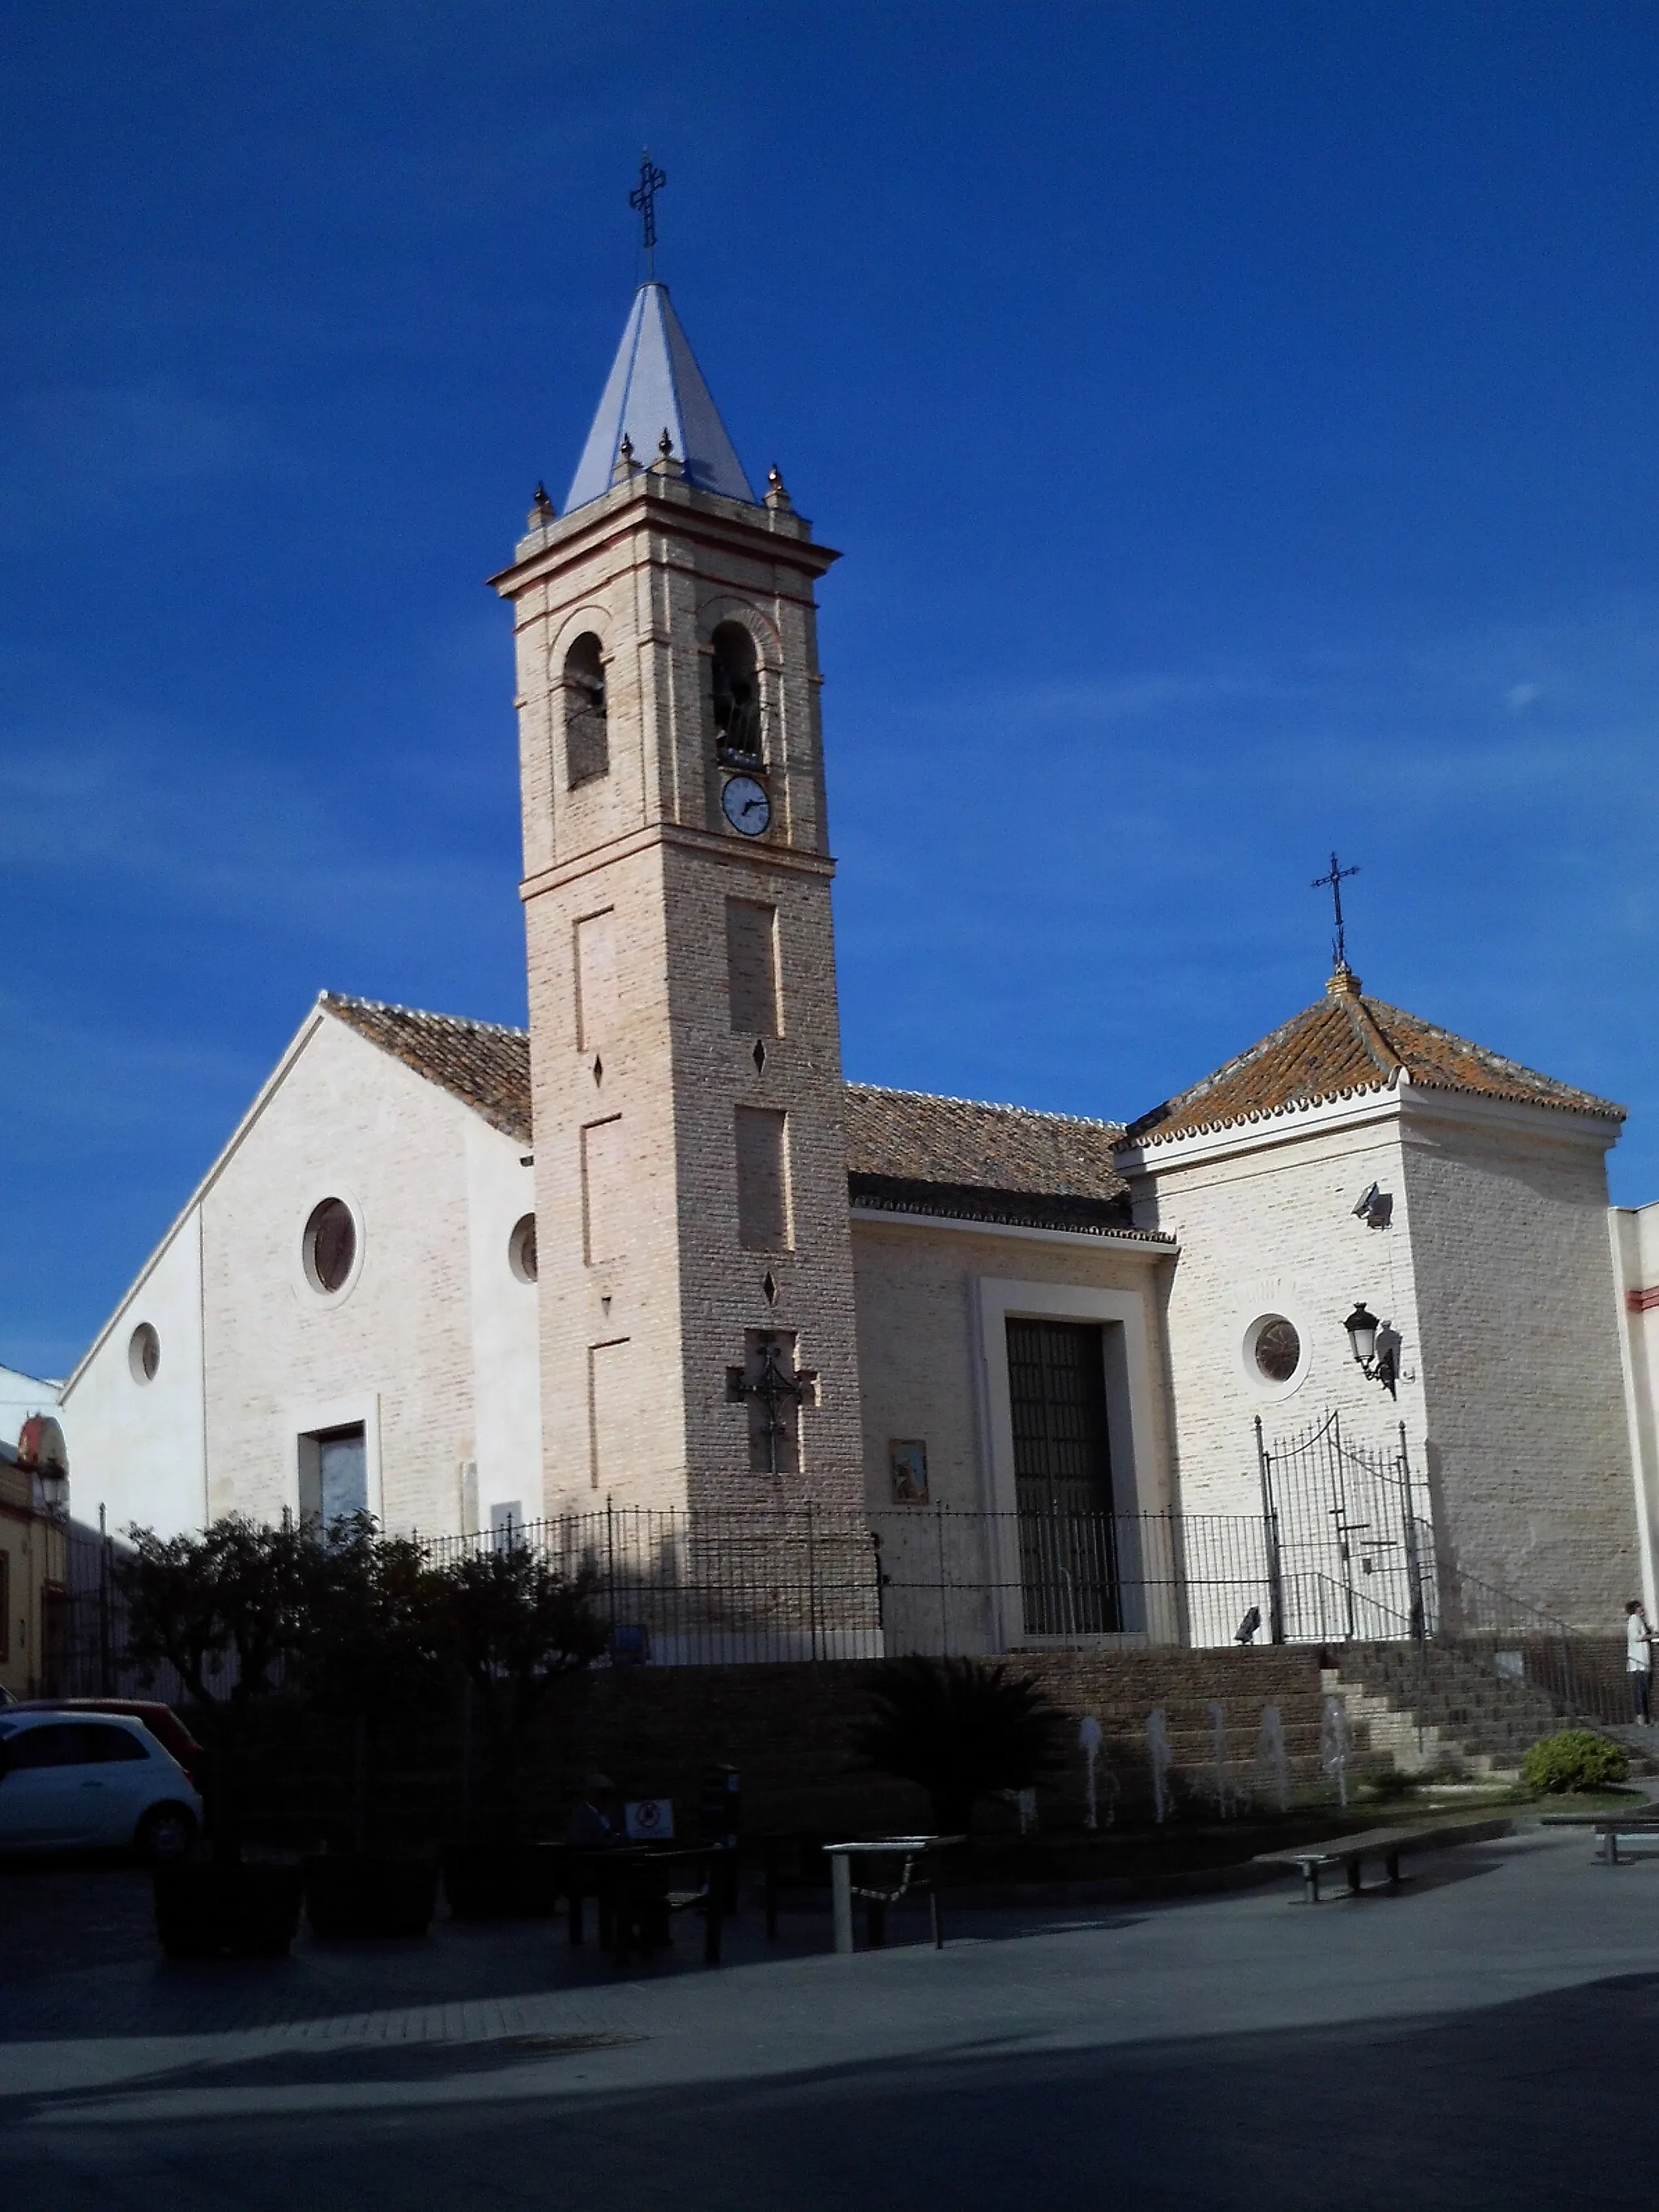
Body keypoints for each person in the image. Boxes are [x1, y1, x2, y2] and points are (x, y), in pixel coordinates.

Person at [566, 1772, 622, 1848]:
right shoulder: (583, 1815)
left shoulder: (608, 1813)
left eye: (608, 1793)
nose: (605, 1797)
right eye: (601, 1792)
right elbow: (601, 1836)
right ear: (591, 1792)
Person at [1626, 1600, 1655, 1724]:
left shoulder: (1641, 1621)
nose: (1642, 1610)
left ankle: (1646, 1716)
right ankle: (1641, 1716)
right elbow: (1635, 1637)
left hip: (1644, 1661)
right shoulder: (1634, 1620)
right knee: (1641, 1690)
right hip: (1639, 1662)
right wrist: (1651, 1636)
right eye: (1639, 1608)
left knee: (1645, 1690)